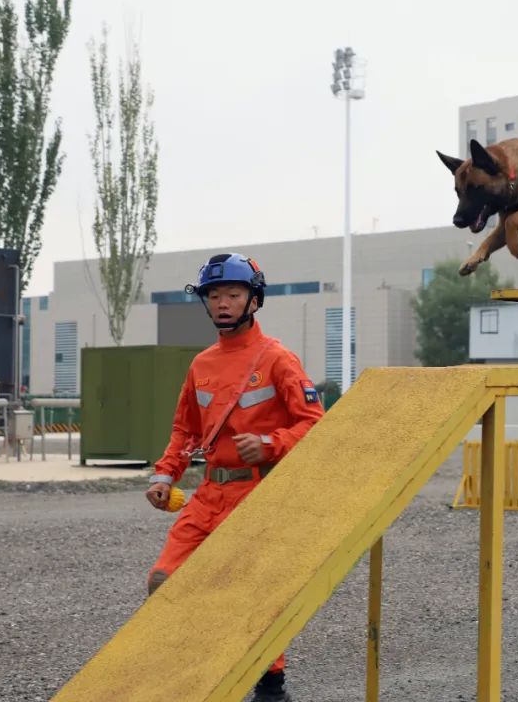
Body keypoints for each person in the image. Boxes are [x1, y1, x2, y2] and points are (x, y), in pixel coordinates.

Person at [146, 253, 323, 702]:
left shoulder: (277, 358)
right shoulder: (201, 364)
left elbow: (315, 422)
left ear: (254, 299)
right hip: (208, 493)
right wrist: (165, 474)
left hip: (259, 492)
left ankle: (270, 682)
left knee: (252, 592)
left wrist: (270, 444)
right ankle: (200, 663)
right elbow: (186, 429)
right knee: (164, 579)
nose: (223, 303)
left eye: (233, 294)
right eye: (215, 295)